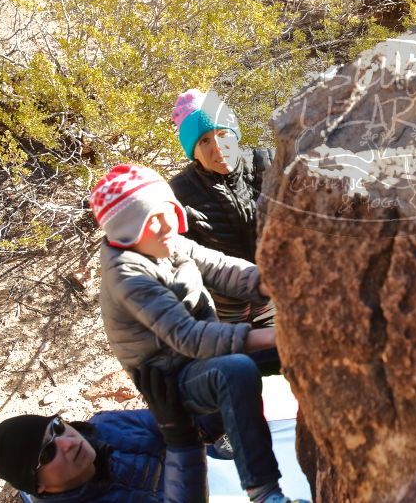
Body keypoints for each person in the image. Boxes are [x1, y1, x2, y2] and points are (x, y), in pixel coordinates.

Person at [89, 164, 305, 503]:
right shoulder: (127, 277)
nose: (164, 227)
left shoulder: (165, 242)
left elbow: (221, 267)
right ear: (125, 234)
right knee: (235, 372)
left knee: (299, 349)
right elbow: (187, 337)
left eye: (166, 214)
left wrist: (279, 284)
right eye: (149, 222)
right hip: (175, 379)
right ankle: (264, 492)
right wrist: (279, 335)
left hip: (203, 353)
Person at [0, 365, 209, 502]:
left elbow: (178, 422)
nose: (67, 443)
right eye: (47, 453)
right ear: (37, 486)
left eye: (57, 427)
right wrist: (185, 442)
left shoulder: (107, 425)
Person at [169, 88, 276, 326]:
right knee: (240, 350)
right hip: (225, 301)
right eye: (205, 140)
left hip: (275, 288)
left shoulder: (270, 163)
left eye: (223, 134)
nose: (217, 147)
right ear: (192, 151)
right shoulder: (180, 191)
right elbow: (176, 254)